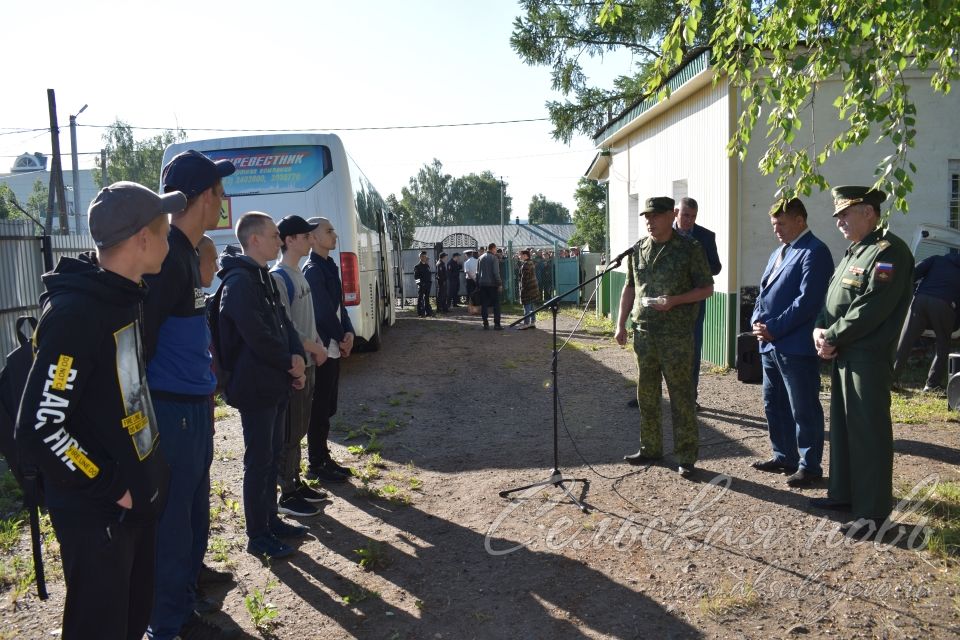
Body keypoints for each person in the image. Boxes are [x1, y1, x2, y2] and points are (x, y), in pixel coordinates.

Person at [16, 181, 183, 640]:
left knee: (130, 623)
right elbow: (41, 425)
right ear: (142, 240)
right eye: (165, 232)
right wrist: (112, 486)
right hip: (100, 515)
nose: (171, 243)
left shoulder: (123, 297)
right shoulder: (77, 315)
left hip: (133, 507)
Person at [144, 149, 237, 640]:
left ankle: (186, 595)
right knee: (174, 522)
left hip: (193, 407)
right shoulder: (167, 258)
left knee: (194, 511)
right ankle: (170, 624)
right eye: (219, 191)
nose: (224, 199)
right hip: (171, 412)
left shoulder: (184, 252)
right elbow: (140, 345)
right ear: (203, 197)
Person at [811, 186, 914, 539]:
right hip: (843, 351)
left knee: (868, 433)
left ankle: (872, 514)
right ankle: (844, 494)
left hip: (867, 356)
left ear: (868, 212)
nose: (839, 221)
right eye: (838, 215)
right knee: (841, 428)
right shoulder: (856, 250)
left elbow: (872, 307)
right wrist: (820, 331)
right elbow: (832, 299)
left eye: (845, 214)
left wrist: (834, 335)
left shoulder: (889, 253)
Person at [217, 212, 309, 560]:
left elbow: (283, 323)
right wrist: (290, 361)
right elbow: (255, 334)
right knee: (258, 462)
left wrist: (296, 355)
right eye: (273, 235)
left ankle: (271, 520)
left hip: (275, 382)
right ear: (254, 240)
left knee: (271, 457)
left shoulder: (262, 278)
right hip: (256, 386)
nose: (279, 240)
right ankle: (258, 534)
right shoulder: (240, 282)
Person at [615, 196, 714, 478]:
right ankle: (650, 447)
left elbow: (706, 288)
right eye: (646, 216)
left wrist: (675, 301)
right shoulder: (638, 250)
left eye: (655, 216)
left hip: (677, 336)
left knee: (681, 397)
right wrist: (621, 324)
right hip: (644, 333)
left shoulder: (689, 248)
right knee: (646, 394)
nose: (650, 221)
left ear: (671, 216)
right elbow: (630, 288)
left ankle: (686, 456)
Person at [749, 198, 833, 488]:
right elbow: (764, 292)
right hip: (770, 343)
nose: (777, 230)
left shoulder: (815, 252)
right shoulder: (780, 252)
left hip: (795, 344)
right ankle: (783, 455)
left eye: (782, 224)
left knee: (803, 407)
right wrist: (756, 322)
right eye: (774, 225)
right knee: (774, 403)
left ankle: (809, 466)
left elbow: (808, 302)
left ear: (800, 220)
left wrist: (774, 328)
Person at [271, 215, 331, 518]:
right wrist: (314, 347)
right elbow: (287, 326)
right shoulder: (280, 276)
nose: (311, 240)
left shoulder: (299, 274)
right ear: (289, 240)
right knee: (290, 430)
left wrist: (318, 343)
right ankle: (286, 492)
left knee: (300, 428)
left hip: (310, 362)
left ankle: (295, 481)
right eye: (305, 236)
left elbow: (306, 320)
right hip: (297, 366)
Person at [302, 216, 355, 484]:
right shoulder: (312, 270)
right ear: (312, 238)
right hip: (322, 348)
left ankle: (323, 457)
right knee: (319, 408)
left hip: (334, 344)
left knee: (328, 406)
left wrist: (349, 332)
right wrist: (340, 337)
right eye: (329, 231)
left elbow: (338, 307)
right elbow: (322, 313)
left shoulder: (329, 265)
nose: (335, 235)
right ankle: (316, 463)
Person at [672, 197, 722, 410]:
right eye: (685, 215)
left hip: (693, 303)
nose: (689, 220)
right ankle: (650, 396)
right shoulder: (663, 232)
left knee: (692, 350)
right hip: (665, 303)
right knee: (658, 351)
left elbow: (716, 267)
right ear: (676, 213)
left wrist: (695, 270)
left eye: (693, 216)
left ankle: (689, 398)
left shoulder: (705, 237)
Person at [892, 252, 960, 392]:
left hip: (921, 299)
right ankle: (931, 384)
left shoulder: (937, 259)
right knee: (942, 345)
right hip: (944, 304)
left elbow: (913, 273)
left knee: (905, 341)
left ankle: (890, 379)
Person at [477, 243, 503, 330]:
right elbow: (496, 272)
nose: (496, 251)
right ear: (493, 249)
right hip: (492, 284)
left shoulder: (480, 258)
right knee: (496, 304)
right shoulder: (494, 258)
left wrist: (478, 283)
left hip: (482, 284)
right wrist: (499, 283)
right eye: (495, 249)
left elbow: (477, 272)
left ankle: (485, 323)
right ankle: (497, 324)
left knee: (484, 304)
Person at [517, 249, 540, 329]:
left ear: (525, 255)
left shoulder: (526, 265)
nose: (519, 256)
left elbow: (524, 279)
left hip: (528, 289)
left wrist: (522, 290)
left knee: (527, 306)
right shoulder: (531, 263)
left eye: (520, 255)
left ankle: (526, 323)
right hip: (533, 288)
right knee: (531, 307)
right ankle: (532, 322)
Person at [413, 251, 434, 317]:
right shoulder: (417, 266)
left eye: (426, 256)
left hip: (428, 285)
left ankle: (428, 312)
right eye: (424, 256)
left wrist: (429, 283)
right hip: (422, 285)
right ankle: (420, 313)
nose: (425, 257)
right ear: (421, 257)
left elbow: (429, 275)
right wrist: (419, 284)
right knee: (420, 299)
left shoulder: (427, 265)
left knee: (427, 299)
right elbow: (416, 277)